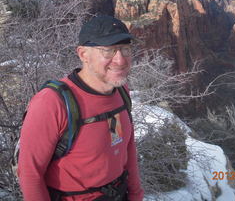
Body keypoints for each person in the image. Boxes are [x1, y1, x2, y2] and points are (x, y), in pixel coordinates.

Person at [18, 15, 144, 201]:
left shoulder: (121, 92)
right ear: (83, 54)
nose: (120, 59)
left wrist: (136, 195)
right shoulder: (52, 103)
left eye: (125, 49)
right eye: (108, 51)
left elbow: (127, 149)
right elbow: (30, 175)